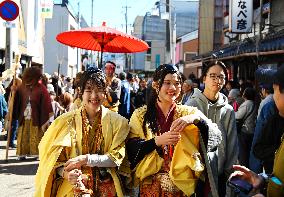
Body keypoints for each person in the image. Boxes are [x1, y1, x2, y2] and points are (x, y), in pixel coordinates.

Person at [126, 64, 222, 196]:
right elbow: (131, 149)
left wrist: (195, 119)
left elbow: (216, 136)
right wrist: (157, 141)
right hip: (150, 187)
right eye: (167, 83)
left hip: (181, 188)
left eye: (177, 83)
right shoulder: (140, 115)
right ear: (155, 85)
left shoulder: (188, 112)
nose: (173, 88)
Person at [35, 68, 130, 197]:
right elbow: (52, 161)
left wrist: (85, 159)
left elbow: (115, 158)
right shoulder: (64, 122)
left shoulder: (119, 122)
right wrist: (66, 174)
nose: (94, 96)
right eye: (89, 90)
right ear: (80, 91)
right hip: (73, 186)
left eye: (99, 90)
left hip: (106, 186)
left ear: (105, 91)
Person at [185, 60, 239, 196]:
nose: (217, 80)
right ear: (204, 78)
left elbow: (232, 146)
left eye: (221, 77)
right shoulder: (192, 105)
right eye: (213, 76)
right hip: (197, 175)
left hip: (220, 173)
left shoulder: (228, 110)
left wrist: (229, 177)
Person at [230, 67, 284, 197]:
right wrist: (263, 180)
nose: (273, 96)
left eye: (275, 90)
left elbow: (258, 146)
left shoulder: (268, 106)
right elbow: (280, 180)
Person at [13, 67, 53, 160]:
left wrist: (45, 116)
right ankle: (22, 153)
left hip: (36, 116)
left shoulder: (41, 88)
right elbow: (16, 99)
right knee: (23, 134)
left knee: (36, 134)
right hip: (24, 115)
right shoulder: (22, 87)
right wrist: (13, 91)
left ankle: (37, 153)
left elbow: (46, 102)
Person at [235, 87, 257, 167]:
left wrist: (231, 112)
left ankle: (244, 168)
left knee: (243, 151)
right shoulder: (253, 103)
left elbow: (238, 116)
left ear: (245, 94)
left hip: (245, 130)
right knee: (247, 151)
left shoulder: (247, 103)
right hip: (251, 129)